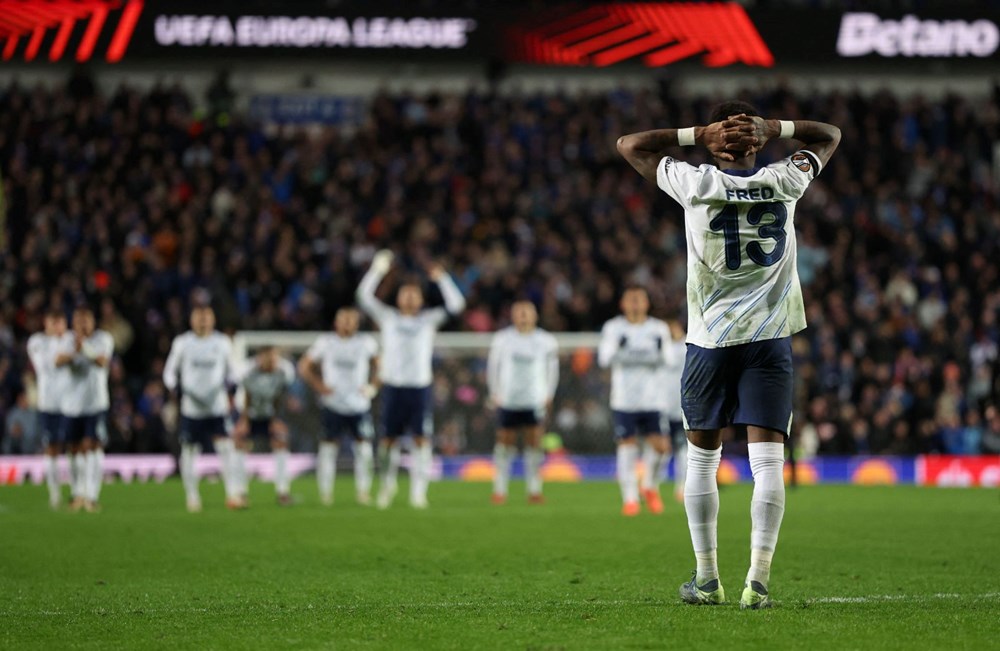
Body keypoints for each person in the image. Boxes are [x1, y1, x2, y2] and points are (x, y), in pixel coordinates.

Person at [617, 102, 840, 609]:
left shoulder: (694, 182)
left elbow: (629, 145)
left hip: (709, 342)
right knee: (768, 463)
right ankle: (757, 581)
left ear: (716, 139)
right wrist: (776, 129)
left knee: (701, 460)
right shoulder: (788, 178)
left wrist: (698, 134)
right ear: (758, 141)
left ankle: (707, 578)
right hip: (769, 340)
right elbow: (830, 134)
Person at [356, 250, 466, 509]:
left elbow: (457, 305)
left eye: (414, 294)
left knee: (421, 441)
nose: (409, 297)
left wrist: (442, 279)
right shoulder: (388, 318)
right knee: (387, 442)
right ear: (398, 297)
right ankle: (387, 485)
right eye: (405, 293)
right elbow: (363, 297)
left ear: (420, 299)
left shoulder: (429, 320)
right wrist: (377, 270)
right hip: (393, 386)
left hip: (419, 387)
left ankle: (419, 493)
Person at [598, 286, 675, 517]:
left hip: (653, 399)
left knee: (662, 449)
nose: (634, 303)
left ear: (646, 303)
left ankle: (649, 485)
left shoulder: (658, 329)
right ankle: (630, 498)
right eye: (630, 299)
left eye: (638, 299)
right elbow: (603, 360)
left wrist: (658, 353)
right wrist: (619, 348)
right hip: (624, 400)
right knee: (627, 447)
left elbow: (669, 361)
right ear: (622, 303)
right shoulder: (613, 328)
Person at [299, 307, 380, 506]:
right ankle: (325, 494)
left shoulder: (366, 343)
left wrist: (373, 387)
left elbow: (382, 365)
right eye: (343, 319)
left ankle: (363, 492)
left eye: (351, 320)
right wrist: (319, 386)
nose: (347, 323)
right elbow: (304, 366)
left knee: (364, 450)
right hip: (332, 404)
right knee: (328, 450)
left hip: (358, 405)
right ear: (336, 322)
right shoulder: (325, 342)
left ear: (357, 323)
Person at [162, 305, 240, 512]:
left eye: (207, 317)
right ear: (192, 320)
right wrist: (175, 389)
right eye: (199, 317)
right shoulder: (182, 343)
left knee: (226, 448)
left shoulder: (222, 342)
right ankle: (192, 497)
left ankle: (232, 494)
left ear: (213, 320)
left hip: (217, 406)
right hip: (192, 408)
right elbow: (169, 372)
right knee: (189, 451)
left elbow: (233, 371)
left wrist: (231, 389)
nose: (203, 321)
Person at [486, 300, 559, 505]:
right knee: (504, 444)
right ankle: (499, 489)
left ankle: (534, 489)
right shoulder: (502, 339)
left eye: (528, 312)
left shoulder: (546, 340)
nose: (524, 315)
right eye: (519, 312)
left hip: (534, 399)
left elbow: (552, 370)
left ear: (535, 315)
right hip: (508, 399)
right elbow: (494, 367)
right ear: (513, 315)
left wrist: (548, 394)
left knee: (534, 444)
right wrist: (494, 392)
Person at [55, 306, 114, 512]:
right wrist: (74, 352)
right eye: (79, 320)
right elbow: (57, 360)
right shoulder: (65, 340)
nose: (83, 324)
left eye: (86, 319)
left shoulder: (103, 339)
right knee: (74, 449)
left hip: (95, 404)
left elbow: (102, 361)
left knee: (92, 446)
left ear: (93, 321)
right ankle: (78, 492)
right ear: (73, 323)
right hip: (71, 405)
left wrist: (85, 348)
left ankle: (92, 495)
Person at [233, 346, 296, 504]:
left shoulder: (282, 373)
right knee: (240, 445)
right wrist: (244, 420)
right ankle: (241, 492)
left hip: (270, 415)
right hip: (251, 415)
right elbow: (247, 396)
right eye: (269, 357)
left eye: (274, 357)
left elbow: (280, 397)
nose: (272, 361)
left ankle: (283, 492)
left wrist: (277, 419)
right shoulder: (249, 373)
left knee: (281, 444)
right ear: (260, 357)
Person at [26, 310, 71, 509]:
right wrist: (63, 355)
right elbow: (44, 366)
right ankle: (54, 493)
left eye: (59, 321)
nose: (56, 326)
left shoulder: (71, 339)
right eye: (52, 321)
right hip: (48, 404)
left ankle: (77, 492)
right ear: (45, 322)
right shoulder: (36, 342)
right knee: (51, 448)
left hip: (71, 403)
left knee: (73, 447)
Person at [663, 319, 688, 503]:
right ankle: (651, 486)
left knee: (682, 449)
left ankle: (682, 487)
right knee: (659, 450)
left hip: (681, 407)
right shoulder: (660, 348)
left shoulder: (687, 345)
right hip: (660, 407)